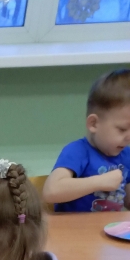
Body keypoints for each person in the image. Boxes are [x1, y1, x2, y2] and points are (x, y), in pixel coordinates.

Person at [43, 69, 130, 213]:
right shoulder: (77, 151)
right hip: (75, 227)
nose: (128, 137)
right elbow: (51, 191)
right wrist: (99, 182)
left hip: (111, 226)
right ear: (94, 124)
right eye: (122, 129)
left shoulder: (126, 155)